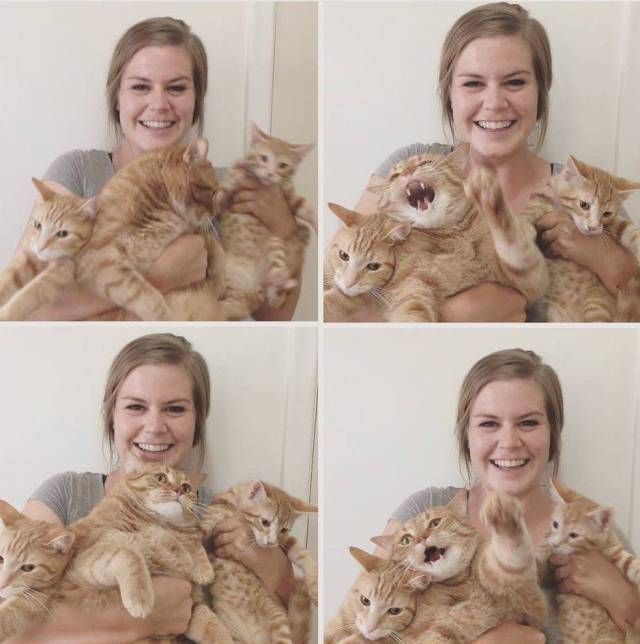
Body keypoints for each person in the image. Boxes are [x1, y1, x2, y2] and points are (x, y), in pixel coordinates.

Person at [353, 2, 637, 322]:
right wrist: (454, 316)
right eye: (473, 83)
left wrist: (604, 259)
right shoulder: (406, 172)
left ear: (541, 93)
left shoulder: (586, 194)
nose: (494, 103)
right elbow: (336, 308)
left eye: (515, 82)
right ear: (449, 95)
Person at [12, 333, 295, 643]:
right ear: (112, 417)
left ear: (198, 423)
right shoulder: (66, 494)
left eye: (175, 409)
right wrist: (145, 619)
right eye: (135, 406)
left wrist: (266, 560)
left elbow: (291, 617)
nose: (155, 427)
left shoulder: (220, 511)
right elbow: (12, 627)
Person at [20, 17, 301, 321]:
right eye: (140, 87)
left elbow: (273, 318)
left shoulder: (226, 189)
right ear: (117, 98)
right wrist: (159, 276)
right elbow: (23, 311)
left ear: (197, 101)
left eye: (176, 88)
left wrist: (286, 231)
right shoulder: (79, 173)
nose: (159, 104)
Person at [376, 348, 640, 643]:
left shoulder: (592, 529)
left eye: (528, 423)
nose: (509, 442)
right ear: (466, 435)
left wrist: (624, 599)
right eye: (489, 424)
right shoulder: (421, 513)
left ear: (553, 434)